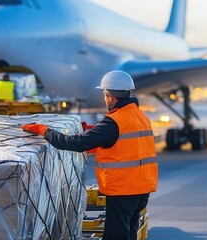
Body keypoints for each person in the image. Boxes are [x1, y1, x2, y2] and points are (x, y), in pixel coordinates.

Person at [22, 70, 158, 240]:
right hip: (142, 189)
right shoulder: (140, 116)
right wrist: (93, 131)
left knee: (116, 236)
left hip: (124, 190)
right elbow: (123, 144)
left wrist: (44, 130)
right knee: (129, 233)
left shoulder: (114, 122)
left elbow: (74, 143)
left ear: (110, 96)